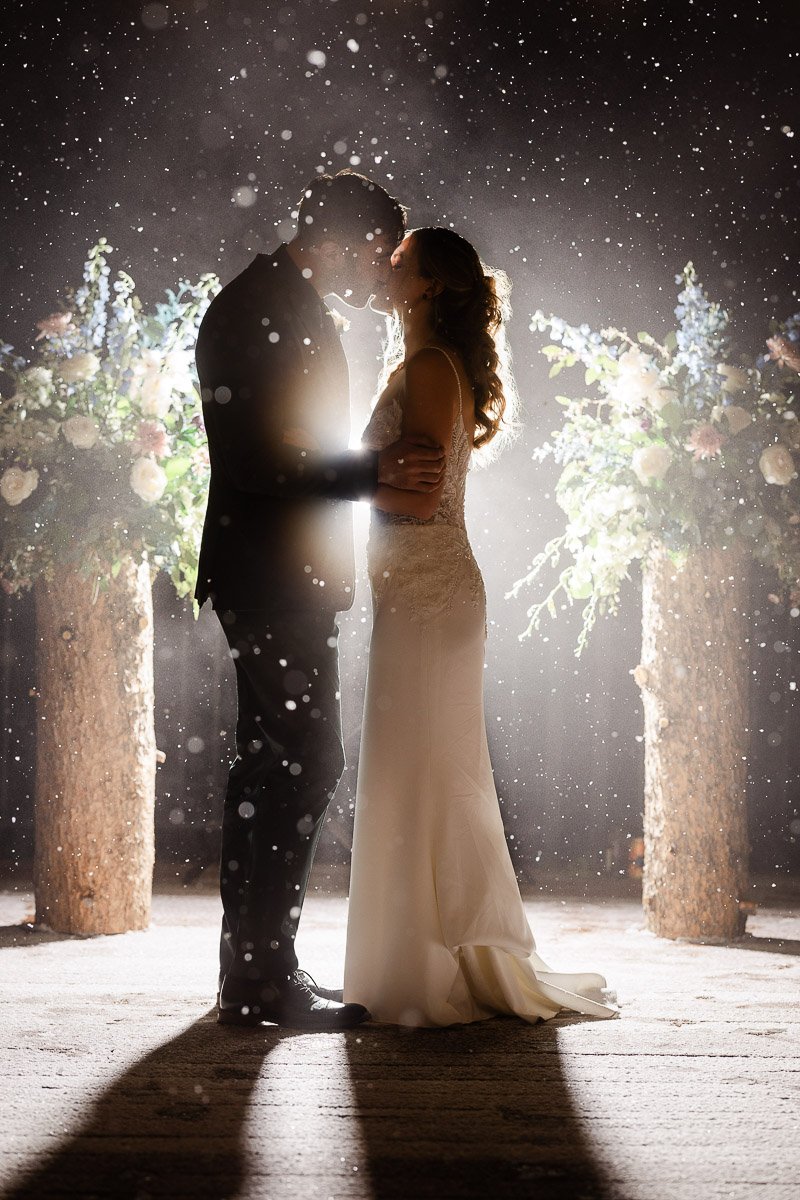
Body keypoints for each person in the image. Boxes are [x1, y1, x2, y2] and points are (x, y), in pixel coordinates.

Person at [343, 227, 619, 1026]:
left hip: (431, 597)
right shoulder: (424, 365)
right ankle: (425, 956)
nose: (384, 267)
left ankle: (432, 967)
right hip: (416, 597)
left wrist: (336, 480)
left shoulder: (431, 370)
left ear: (430, 286)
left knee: (427, 778)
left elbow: (421, 501)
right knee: (419, 776)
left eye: (399, 262)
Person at [194, 172, 445, 1030]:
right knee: (286, 767)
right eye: (374, 254)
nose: (377, 274)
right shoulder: (252, 309)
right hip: (268, 577)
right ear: (334, 238)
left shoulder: (280, 303)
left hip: (285, 576)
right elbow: (255, 462)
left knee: (294, 765)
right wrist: (370, 473)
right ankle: (259, 983)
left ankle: (263, 974)